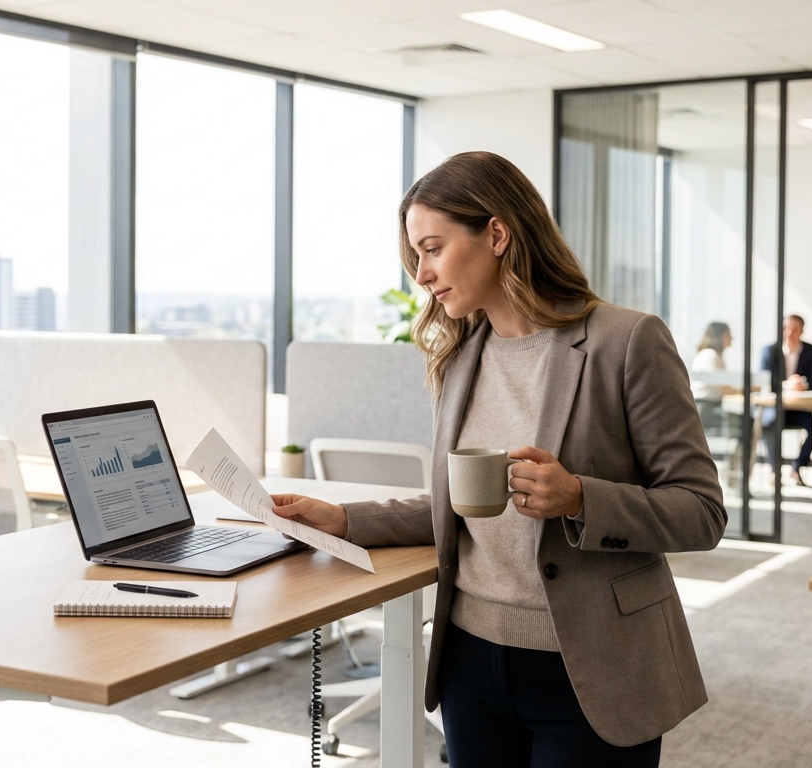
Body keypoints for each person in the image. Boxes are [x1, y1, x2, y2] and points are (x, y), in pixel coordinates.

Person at [272, 152, 726, 767]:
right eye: (415, 257)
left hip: (593, 663)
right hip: (470, 663)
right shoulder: (459, 356)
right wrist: (345, 520)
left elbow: (701, 511)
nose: (423, 274)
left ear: (497, 233)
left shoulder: (627, 341)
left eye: (432, 249)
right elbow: (459, 506)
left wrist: (582, 499)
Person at [760, 314, 812, 485]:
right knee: (769, 423)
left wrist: (802, 385)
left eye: (794, 329)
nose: (789, 333)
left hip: (799, 409)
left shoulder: (810, 350)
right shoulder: (770, 350)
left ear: (802, 331)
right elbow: (764, 381)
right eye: (786, 328)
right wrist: (787, 385)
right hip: (776, 408)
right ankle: (774, 470)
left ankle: (797, 467)